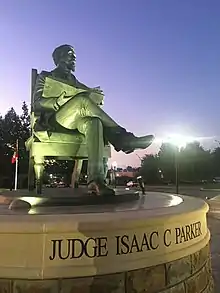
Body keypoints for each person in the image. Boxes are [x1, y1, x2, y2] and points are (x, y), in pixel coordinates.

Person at [33, 44, 154, 196]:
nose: (74, 58)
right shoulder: (45, 76)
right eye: (70, 54)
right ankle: (123, 138)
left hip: (75, 122)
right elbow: (36, 102)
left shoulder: (74, 80)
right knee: (83, 100)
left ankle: (96, 181)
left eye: (74, 55)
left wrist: (95, 95)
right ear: (60, 58)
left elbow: (88, 93)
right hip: (56, 121)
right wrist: (56, 101)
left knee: (94, 122)